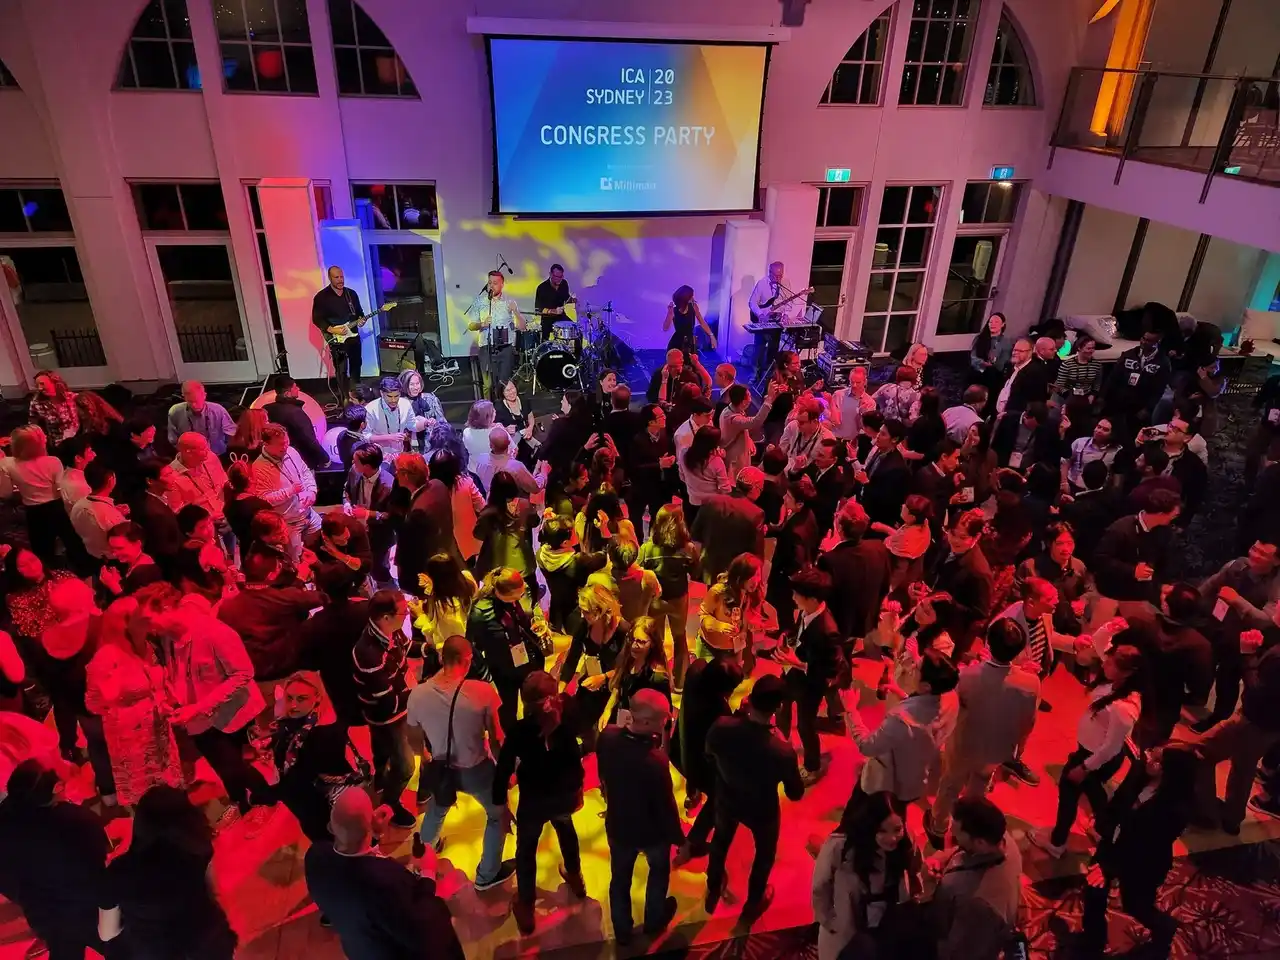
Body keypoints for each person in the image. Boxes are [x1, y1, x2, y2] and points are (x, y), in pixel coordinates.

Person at [132, 582, 269, 827]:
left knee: (235, 765)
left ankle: (265, 801)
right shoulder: (168, 639)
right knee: (223, 766)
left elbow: (243, 673)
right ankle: (241, 801)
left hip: (231, 712)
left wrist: (199, 707)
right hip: (198, 718)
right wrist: (172, 699)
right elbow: (179, 674)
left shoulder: (214, 632)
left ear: (166, 607)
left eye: (149, 618)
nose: (148, 627)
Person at [305, 787, 465, 960]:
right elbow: (423, 928)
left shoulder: (315, 856)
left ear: (331, 827)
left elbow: (354, 858)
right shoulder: (384, 883)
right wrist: (428, 873)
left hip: (358, 947)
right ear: (370, 823)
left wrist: (374, 835)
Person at [406, 635, 515, 887]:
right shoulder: (482, 692)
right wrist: (506, 772)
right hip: (477, 770)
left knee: (437, 808)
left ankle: (421, 862)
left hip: (441, 768)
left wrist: (427, 758)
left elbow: (413, 739)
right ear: (467, 660)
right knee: (496, 815)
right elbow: (496, 740)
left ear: (441, 658)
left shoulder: (418, 695)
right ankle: (487, 874)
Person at [925, 619, 1039, 849]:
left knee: (951, 784)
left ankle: (938, 826)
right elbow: (1028, 721)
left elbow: (952, 706)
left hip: (965, 743)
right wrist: (1017, 749)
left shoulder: (968, 675)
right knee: (979, 786)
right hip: (998, 748)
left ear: (988, 641)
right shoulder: (1031, 682)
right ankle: (966, 827)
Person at [1078, 745, 1197, 954]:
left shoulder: (1175, 810)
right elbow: (1118, 802)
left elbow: (1144, 845)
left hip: (1143, 863)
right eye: (1153, 754)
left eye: (1158, 761)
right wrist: (1102, 826)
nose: (1149, 759)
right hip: (1114, 845)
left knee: (1135, 905)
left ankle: (1165, 929)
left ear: (1170, 774)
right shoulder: (1139, 772)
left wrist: (1109, 866)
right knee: (1093, 891)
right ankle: (1093, 940)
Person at [1030, 644, 1145, 858]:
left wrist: (1085, 767)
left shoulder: (1124, 707)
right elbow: (1099, 642)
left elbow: (1111, 747)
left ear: (1127, 672)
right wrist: (1110, 629)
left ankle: (1057, 842)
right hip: (1091, 754)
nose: (1105, 664)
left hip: (1094, 758)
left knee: (1069, 793)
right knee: (1093, 791)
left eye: (1112, 663)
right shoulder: (1113, 684)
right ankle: (1104, 829)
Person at [494, 670, 587, 936]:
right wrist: (578, 789)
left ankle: (526, 907)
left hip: (533, 800)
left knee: (526, 849)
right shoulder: (568, 719)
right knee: (566, 829)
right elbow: (576, 758)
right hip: (563, 796)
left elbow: (503, 769)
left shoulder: (519, 730)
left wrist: (501, 805)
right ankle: (576, 877)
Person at [704, 674, 805, 918]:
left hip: (727, 797)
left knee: (720, 840)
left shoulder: (721, 726)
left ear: (750, 697)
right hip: (762, 808)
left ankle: (713, 884)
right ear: (778, 708)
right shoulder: (782, 750)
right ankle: (753, 903)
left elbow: (709, 756)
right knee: (764, 855)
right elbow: (795, 793)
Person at [98, 785, 237, 960]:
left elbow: (107, 934)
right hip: (205, 945)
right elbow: (213, 893)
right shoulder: (198, 849)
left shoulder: (119, 870)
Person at [0, 759, 112, 960]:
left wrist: (25, 895)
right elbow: (98, 869)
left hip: (43, 913)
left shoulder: (6, 822)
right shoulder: (78, 822)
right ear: (53, 790)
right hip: (85, 909)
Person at [596, 688, 682, 943]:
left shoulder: (608, 737)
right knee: (658, 872)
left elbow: (603, 774)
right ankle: (654, 920)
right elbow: (666, 806)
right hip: (651, 832)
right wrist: (680, 839)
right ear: (645, 722)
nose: (667, 721)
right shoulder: (655, 760)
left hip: (619, 825)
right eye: (663, 718)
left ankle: (622, 931)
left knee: (619, 879)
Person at [84, 597, 184, 807]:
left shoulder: (147, 647)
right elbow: (93, 703)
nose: (149, 619)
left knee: (168, 785)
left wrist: (166, 698)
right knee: (148, 795)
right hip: (132, 737)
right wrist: (122, 703)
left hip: (158, 727)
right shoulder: (106, 657)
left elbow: (158, 682)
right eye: (142, 617)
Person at [812, 791, 920, 960]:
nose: (892, 838)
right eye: (882, 830)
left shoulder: (906, 841)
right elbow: (820, 887)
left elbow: (915, 871)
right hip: (846, 933)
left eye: (897, 829)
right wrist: (831, 921)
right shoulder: (841, 846)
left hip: (888, 930)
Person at [844, 648, 959, 804]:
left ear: (926, 686)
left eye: (917, 668)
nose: (912, 668)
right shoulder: (951, 699)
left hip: (888, 785)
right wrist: (902, 694)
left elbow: (866, 745)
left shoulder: (900, 720)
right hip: (915, 780)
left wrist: (851, 709)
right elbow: (924, 716)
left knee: (865, 813)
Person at [267, 671, 370, 843]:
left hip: (318, 803)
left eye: (301, 699)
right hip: (303, 799)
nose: (293, 705)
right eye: (289, 698)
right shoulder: (295, 722)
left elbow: (314, 775)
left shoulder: (324, 735)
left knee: (326, 838)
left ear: (317, 698)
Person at [925, 796, 1023, 960]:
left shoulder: (979, 904)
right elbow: (964, 849)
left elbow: (961, 950)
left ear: (980, 843)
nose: (952, 834)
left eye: (958, 834)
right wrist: (945, 858)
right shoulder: (1000, 838)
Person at [352, 589, 416, 827]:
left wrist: (431, 650)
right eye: (404, 612)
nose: (408, 614)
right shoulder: (369, 653)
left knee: (381, 747)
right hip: (387, 716)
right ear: (386, 617)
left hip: (392, 707)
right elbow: (387, 702)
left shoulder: (391, 631)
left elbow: (407, 647)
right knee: (406, 765)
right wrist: (420, 694)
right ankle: (390, 804)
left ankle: (380, 778)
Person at [775, 566, 843, 784]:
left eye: (797, 594)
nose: (792, 598)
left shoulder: (828, 630)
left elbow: (830, 669)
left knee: (806, 725)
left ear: (812, 599)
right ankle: (780, 745)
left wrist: (796, 662)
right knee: (781, 705)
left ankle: (812, 766)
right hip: (794, 672)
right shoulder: (808, 612)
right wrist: (788, 639)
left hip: (811, 684)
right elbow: (800, 634)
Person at [467, 568, 550, 734]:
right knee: (507, 713)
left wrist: (538, 623)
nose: (519, 598)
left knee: (534, 704)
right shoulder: (480, 612)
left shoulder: (522, 591)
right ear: (501, 593)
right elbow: (472, 648)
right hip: (502, 669)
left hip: (527, 660)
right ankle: (511, 742)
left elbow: (531, 610)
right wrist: (487, 678)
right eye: (515, 596)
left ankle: (534, 736)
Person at [638, 502, 701, 691]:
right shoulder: (688, 548)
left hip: (656, 601)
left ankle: (661, 681)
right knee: (679, 638)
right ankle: (680, 683)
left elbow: (640, 573)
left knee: (657, 641)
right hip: (678, 599)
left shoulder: (647, 549)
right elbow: (696, 573)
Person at [1092, 488, 1181, 613]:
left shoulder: (1165, 532)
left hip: (1146, 591)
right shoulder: (1120, 530)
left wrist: (1164, 583)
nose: (1174, 518)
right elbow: (1100, 560)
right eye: (1173, 515)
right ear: (1161, 514)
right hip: (1116, 592)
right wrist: (1132, 570)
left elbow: (1165, 561)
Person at [0, 425, 78, 566]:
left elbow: (5, 493)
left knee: (42, 552)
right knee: (72, 542)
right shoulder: (53, 462)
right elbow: (61, 490)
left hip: (34, 513)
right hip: (57, 508)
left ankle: (47, 574)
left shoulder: (7, 464)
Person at [819, 500, 893, 643]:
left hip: (838, 627)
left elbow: (820, 595)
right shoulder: (879, 548)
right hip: (865, 623)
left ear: (839, 528)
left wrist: (826, 551)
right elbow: (885, 586)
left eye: (837, 515)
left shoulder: (829, 559)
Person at [394, 452, 461, 594]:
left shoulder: (418, 512)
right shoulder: (438, 485)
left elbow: (412, 552)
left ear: (406, 475)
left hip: (428, 571)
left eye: (397, 470)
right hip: (447, 553)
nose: (395, 474)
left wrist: (406, 582)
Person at [252, 423, 320, 560]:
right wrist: (290, 491)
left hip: (309, 514)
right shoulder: (259, 467)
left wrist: (311, 491)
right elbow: (264, 498)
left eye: (286, 442)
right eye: (280, 444)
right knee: (295, 560)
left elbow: (305, 472)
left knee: (320, 548)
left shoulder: (291, 451)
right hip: (289, 523)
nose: (285, 447)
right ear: (266, 444)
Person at [765, 477, 822, 636]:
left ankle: (786, 633)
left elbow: (796, 557)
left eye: (789, 497)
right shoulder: (808, 515)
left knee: (782, 603)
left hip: (785, 574)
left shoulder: (796, 531)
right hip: (798, 567)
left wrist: (787, 574)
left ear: (800, 504)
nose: (784, 498)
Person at [691, 466, 767, 583]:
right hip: (735, 572)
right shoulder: (756, 514)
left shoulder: (712, 501)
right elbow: (756, 553)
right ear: (754, 489)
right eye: (760, 489)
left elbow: (695, 534)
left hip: (709, 565)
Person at [697, 552, 765, 666]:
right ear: (740, 576)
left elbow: (746, 620)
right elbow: (703, 616)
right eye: (751, 576)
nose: (756, 581)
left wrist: (745, 631)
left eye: (758, 575)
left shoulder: (749, 594)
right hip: (709, 648)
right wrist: (719, 626)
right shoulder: (718, 591)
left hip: (732, 649)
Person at [344, 442, 397, 585]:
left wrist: (367, 514)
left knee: (379, 570)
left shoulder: (389, 485)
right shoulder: (354, 471)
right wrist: (347, 504)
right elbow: (346, 490)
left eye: (355, 461)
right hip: (356, 530)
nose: (352, 464)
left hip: (378, 536)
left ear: (366, 466)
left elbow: (391, 516)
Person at [468, 269, 525, 398]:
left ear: (502, 284)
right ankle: (488, 408)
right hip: (486, 347)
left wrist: (516, 312)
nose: (492, 286)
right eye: (490, 283)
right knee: (488, 384)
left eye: (495, 283)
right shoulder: (480, 301)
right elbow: (470, 325)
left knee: (503, 384)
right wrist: (482, 324)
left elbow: (522, 327)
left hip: (505, 348)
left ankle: (502, 407)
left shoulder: (509, 302)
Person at [312, 265, 365, 401]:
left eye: (342, 277)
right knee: (341, 369)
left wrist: (361, 320)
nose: (340, 280)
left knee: (356, 364)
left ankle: (355, 394)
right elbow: (317, 319)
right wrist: (331, 329)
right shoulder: (321, 297)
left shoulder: (351, 294)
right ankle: (344, 398)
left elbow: (359, 313)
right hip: (336, 339)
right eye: (337, 277)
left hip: (353, 336)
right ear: (330, 278)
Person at [1102, 327, 1170, 431]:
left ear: (1156, 342)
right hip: (1120, 403)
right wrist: (1103, 398)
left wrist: (1148, 409)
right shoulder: (1128, 355)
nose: (1144, 342)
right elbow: (1113, 377)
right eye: (1143, 338)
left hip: (1140, 406)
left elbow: (1159, 390)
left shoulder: (1162, 362)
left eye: (1148, 340)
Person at [427, 448, 486, 564]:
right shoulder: (467, 483)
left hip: (439, 548)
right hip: (466, 546)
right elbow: (482, 507)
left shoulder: (427, 489)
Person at [264, 374, 330, 469]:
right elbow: (309, 439)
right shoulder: (295, 412)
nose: (298, 389)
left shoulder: (266, 409)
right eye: (295, 387)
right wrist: (325, 458)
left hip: (274, 461)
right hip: (300, 462)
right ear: (287, 393)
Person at [70, 460, 127, 567]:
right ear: (111, 480)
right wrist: (119, 516)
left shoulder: (77, 506)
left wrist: (115, 511)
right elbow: (124, 541)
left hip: (91, 554)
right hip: (113, 560)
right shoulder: (110, 516)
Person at [856, 419, 911, 528]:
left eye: (883, 434)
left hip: (878, 520)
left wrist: (866, 483)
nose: (878, 436)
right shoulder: (880, 451)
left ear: (894, 439)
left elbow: (887, 499)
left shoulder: (897, 468)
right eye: (879, 432)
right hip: (865, 509)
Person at [628, 405, 676, 524]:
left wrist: (672, 458)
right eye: (661, 416)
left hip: (661, 486)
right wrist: (658, 465)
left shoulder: (666, 433)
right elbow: (634, 468)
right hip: (642, 486)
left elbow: (671, 450)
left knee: (658, 520)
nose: (665, 417)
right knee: (636, 518)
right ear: (651, 422)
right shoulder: (638, 440)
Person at [719, 381, 778, 479]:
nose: (751, 399)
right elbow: (755, 422)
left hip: (739, 450)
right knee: (739, 479)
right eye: (749, 396)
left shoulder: (732, 409)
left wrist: (749, 440)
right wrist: (768, 400)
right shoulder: (733, 418)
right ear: (743, 402)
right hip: (736, 457)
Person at [166, 381, 235, 456]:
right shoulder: (175, 412)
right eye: (190, 401)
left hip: (217, 454)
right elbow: (173, 438)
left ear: (204, 395)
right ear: (184, 397)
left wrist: (225, 445)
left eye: (197, 401)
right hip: (191, 456)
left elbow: (232, 431)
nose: (194, 405)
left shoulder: (218, 410)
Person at [101, 522, 166, 597]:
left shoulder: (145, 574)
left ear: (138, 544)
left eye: (120, 548)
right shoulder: (135, 561)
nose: (114, 554)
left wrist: (114, 586)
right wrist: (119, 581)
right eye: (112, 549)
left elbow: (138, 603)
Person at [473, 425, 542, 496]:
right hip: (510, 501)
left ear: (490, 445)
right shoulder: (516, 466)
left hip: (489, 499)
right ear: (509, 442)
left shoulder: (481, 459)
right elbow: (535, 488)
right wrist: (543, 474)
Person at [363, 377, 420, 459]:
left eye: (396, 396)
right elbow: (365, 436)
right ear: (381, 393)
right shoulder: (370, 409)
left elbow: (412, 425)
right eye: (389, 396)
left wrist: (425, 423)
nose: (393, 400)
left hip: (399, 454)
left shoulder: (405, 404)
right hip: (378, 456)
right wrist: (389, 437)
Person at [779, 393, 834, 473]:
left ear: (814, 421)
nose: (798, 424)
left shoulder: (827, 438)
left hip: (808, 475)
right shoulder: (793, 425)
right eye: (797, 420)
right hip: (786, 470)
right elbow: (782, 449)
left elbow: (826, 468)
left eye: (802, 422)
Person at [28, 370, 79, 446]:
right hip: (57, 443)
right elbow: (32, 423)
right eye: (37, 385)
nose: (39, 388)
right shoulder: (37, 402)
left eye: (42, 384)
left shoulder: (72, 398)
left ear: (54, 382)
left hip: (77, 439)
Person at [397, 368, 445, 449]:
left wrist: (433, 423)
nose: (416, 387)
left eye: (417, 383)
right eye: (412, 384)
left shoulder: (430, 399)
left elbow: (442, 422)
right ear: (404, 385)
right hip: (406, 446)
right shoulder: (399, 403)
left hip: (429, 445)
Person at [664, 284, 716, 356]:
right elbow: (665, 328)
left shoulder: (693, 307)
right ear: (686, 298)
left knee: (691, 361)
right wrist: (670, 314)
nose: (693, 298)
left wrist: (711, 335)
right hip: (677, 342)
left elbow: (702, 322)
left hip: (690, 342)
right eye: (691, 296)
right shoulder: (674, 310)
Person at [1054, 333, 1103, 403]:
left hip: (1087, 398)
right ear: (1079, 348)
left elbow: (1097, 383)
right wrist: (1069, 397)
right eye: (1088, 348)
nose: (1091, 351)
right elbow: (1060, 384)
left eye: (1093, 348)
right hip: (1068, 398)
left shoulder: (1097, 365)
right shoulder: (1067, 364)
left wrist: (1093, 395)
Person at [534, 262, 574, 338]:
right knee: (545, 339)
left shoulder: (564, 283)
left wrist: (574, 300)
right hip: (547, 319)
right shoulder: (542, 288)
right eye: (557, 277)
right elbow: (538, 309)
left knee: (577, 331)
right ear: (550, 274)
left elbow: (566, 298)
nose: (559, 279)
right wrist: (553, 311)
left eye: (561, 277)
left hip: (561, 317)